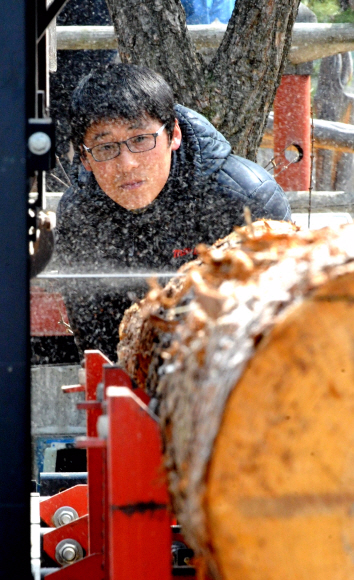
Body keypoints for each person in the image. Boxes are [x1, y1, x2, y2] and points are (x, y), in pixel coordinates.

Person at [56, 63, 291, 361]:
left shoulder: (246, 198)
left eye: (140, 139)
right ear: (84, 158)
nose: (127, 164)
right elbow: (97, 344)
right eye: (105, 147)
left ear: (174, 134)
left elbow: (278, 330)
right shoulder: (81, 213)